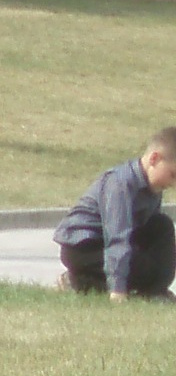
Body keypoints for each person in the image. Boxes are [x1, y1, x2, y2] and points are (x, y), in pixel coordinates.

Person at [56, 127, 176, 300]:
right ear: (154, 159)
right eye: (173, 175)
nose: (173, 184)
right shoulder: (120, 184)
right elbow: (117, 237)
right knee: (143, 269)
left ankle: (156, 292)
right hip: (83, 246)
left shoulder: (154, 188)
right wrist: (118, 290)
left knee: (162, 225)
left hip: (114, 244)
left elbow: (148, 235)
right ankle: (77, 281)